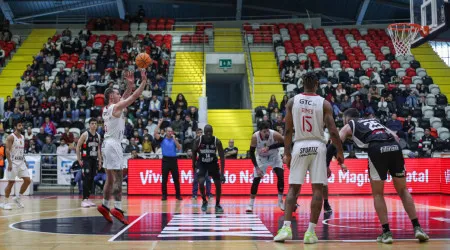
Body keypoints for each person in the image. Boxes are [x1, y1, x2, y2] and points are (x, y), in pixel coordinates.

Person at [338, 108, 429, 244]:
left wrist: (336, 158)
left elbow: (338, 139)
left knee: (378, 194)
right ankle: (418, 228)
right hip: (394, 146)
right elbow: (396, 137)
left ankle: (386, 232)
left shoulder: (350, 124)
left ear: (347, 119)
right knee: (403, 190)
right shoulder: (374, 121)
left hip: (377, 148)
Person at [274, 72, 344, 244]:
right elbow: (333, 131)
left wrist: (287, 153)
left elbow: (288, 130)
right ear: (317, 84)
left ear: (301, 83)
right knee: (317, 190)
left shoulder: (292, 101)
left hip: (299, 145)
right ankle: (310, 232)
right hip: (318, 145)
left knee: (293, 189)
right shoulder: (324, 103)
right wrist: (340, 151)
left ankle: (286, 228)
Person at [97, 69, 147, 225]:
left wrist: (130, 85)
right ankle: (117, 208)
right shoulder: (115, 108)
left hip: (106, 144)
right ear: (112, 96)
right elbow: (133, 97)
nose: (120, 95)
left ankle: (105, 205)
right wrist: (143, 81)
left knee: (110, 179)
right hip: (114, 144)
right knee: (119, 177)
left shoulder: (107, 108)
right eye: (117, 94)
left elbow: (126, 96)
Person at [246, 121, 285, 213]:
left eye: (267, 131)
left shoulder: (274, 134)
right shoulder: (255, 137)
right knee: (256, 180)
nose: (267, 133)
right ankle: (250, 205)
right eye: (264, 132)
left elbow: (285, 143)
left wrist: (269, 147)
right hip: (261, 158)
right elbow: (251, 153)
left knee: (280, 175)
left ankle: (280, 201)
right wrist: (257, 168)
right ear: (260, 131)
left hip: (274, 155)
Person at [192, 125, 226, 213]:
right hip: (202, 163)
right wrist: (193, 166)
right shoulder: (198, 140)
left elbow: (222, 157)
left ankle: (217, 204)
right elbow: (194, 153)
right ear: (204, 132)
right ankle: (204, 201)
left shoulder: (217, 141)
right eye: (207, 132)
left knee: (218, 185)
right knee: (201, 182)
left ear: (212, 132)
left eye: (210, 132)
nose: (208, 134)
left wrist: (222, 173)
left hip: (213, 163)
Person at [0, 120, 31, 210]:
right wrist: (9, 163)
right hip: (13, 163)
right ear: (15, 127)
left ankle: (17, 198)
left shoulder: (22, 136)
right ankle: (5, 203)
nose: (21, 127)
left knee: (28, 180)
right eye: (19, 125)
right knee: (11, 182)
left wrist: (24, 161)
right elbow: (7, 150)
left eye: (22, 125)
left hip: (21, 162)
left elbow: (21, 151)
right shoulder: (11, 137)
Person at [76, 118, 102, 208]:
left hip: (94, 160)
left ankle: (88, 197)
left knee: (91, 179)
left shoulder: (98, 136)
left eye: (95, 123)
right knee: (86, 178)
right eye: (92, 123)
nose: (94, 125)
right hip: (86, 159)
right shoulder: (85, 134)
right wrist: (79, 159)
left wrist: (100, 160)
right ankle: (84, 199)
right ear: (89, 125)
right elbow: (78, 146)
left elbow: (98, 149)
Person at [156, 118, 182, 201]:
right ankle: (164, 195)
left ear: (172, 132)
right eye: (168, 131)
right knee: (164, 179)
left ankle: (178, 195)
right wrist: (159, 123)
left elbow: (179, 148)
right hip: (166, 160)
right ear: (166, 132)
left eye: (171, 131)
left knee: (176, 179)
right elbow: (155, 133)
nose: (170, 132)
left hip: (173, 160)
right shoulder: (162, 139)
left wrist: (174, 139)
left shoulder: (175, 140)